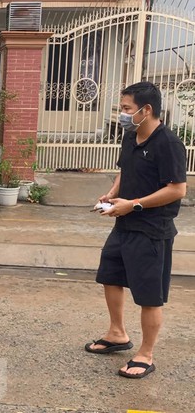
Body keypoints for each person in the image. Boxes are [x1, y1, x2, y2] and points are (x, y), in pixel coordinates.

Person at [85, 82, 187, 378]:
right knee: (110, 277)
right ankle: (117, 333)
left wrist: (134, 204)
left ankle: (146, 353)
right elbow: (125, 170)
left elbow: (177, 189)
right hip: (124, 224)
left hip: (152, 229)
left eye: (127, 109)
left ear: (147, 110)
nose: (123, 115)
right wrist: (112, 192)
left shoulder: (168, 143)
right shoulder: (131, 136)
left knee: (148, 296)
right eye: (122, 109)